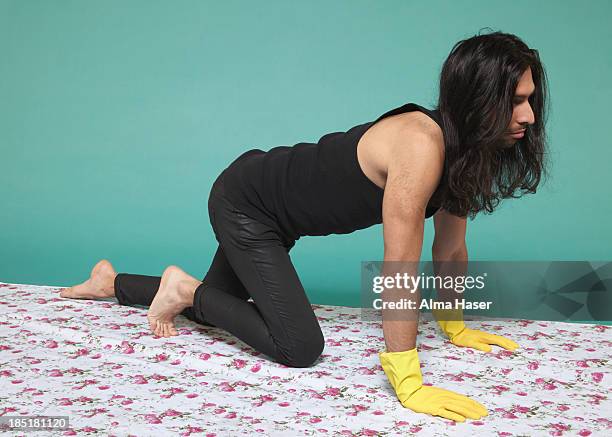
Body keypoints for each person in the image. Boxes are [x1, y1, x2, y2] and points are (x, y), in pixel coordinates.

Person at [60, 30, 549, 422]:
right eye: (514, 101)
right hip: (247, 203)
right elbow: (399, 267)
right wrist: (406, 377)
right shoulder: (421, 146)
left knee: (222, 308)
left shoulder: (463, 154)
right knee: (298, 345)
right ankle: (184, 289)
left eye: (530, 99)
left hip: (274, 212)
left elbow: (450, 251)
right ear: (476, 98)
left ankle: (112, 283)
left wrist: (454, 324)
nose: (527, 115)